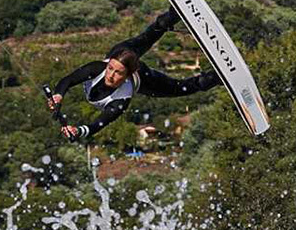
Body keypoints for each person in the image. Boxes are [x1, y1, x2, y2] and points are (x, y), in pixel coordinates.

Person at [47, 8, 222, 140]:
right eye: (110, 70)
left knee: (178, 88)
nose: (111, 76)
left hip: (143, 78)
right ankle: (214, 77)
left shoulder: (121, 97)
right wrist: (58, 96)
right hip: (120, 52)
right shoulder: (98, 69)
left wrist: (80, 130)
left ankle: (174, 15)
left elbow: (95, 125)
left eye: (117, 74)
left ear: (127, 76)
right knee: (143, 39)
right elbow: (69, 81)